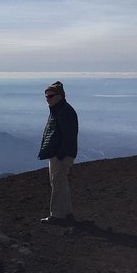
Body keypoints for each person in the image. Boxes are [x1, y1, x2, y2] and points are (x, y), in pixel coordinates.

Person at [37, 81, 79, 225]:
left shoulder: (64, 112)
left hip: (60, 155)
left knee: (58, 184)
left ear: (60, 96)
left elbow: (69, 136)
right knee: (61, 184)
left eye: (50, 96)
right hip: (59, 154)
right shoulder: (58, 110)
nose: (47, 98)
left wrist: (60, 155)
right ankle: (66, 213)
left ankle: (57, 216)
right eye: (46, 96)